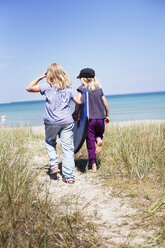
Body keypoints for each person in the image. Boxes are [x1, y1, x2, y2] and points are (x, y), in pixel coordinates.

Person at [26, 63, 81, 184]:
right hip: (67, 122)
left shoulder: (47, 87)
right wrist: (76, 112)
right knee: (67, 148)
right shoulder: (69, 90)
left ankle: (54, 164)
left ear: (49, 74)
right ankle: (69, 177)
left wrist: (41, 77)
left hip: (51, 122)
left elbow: (29, 88)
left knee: (50, 142)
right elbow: (79, 102)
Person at [73, 68, 110, 172]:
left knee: (90, 142)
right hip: (100, 119)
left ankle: (93, 165)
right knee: (98, 134)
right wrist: (107, 115)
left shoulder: (82, 89)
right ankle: (99, 139)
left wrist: (76, 113)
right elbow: (105, 103)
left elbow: (78, 102)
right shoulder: (99, 89)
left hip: (90, 121)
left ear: (83, 79)